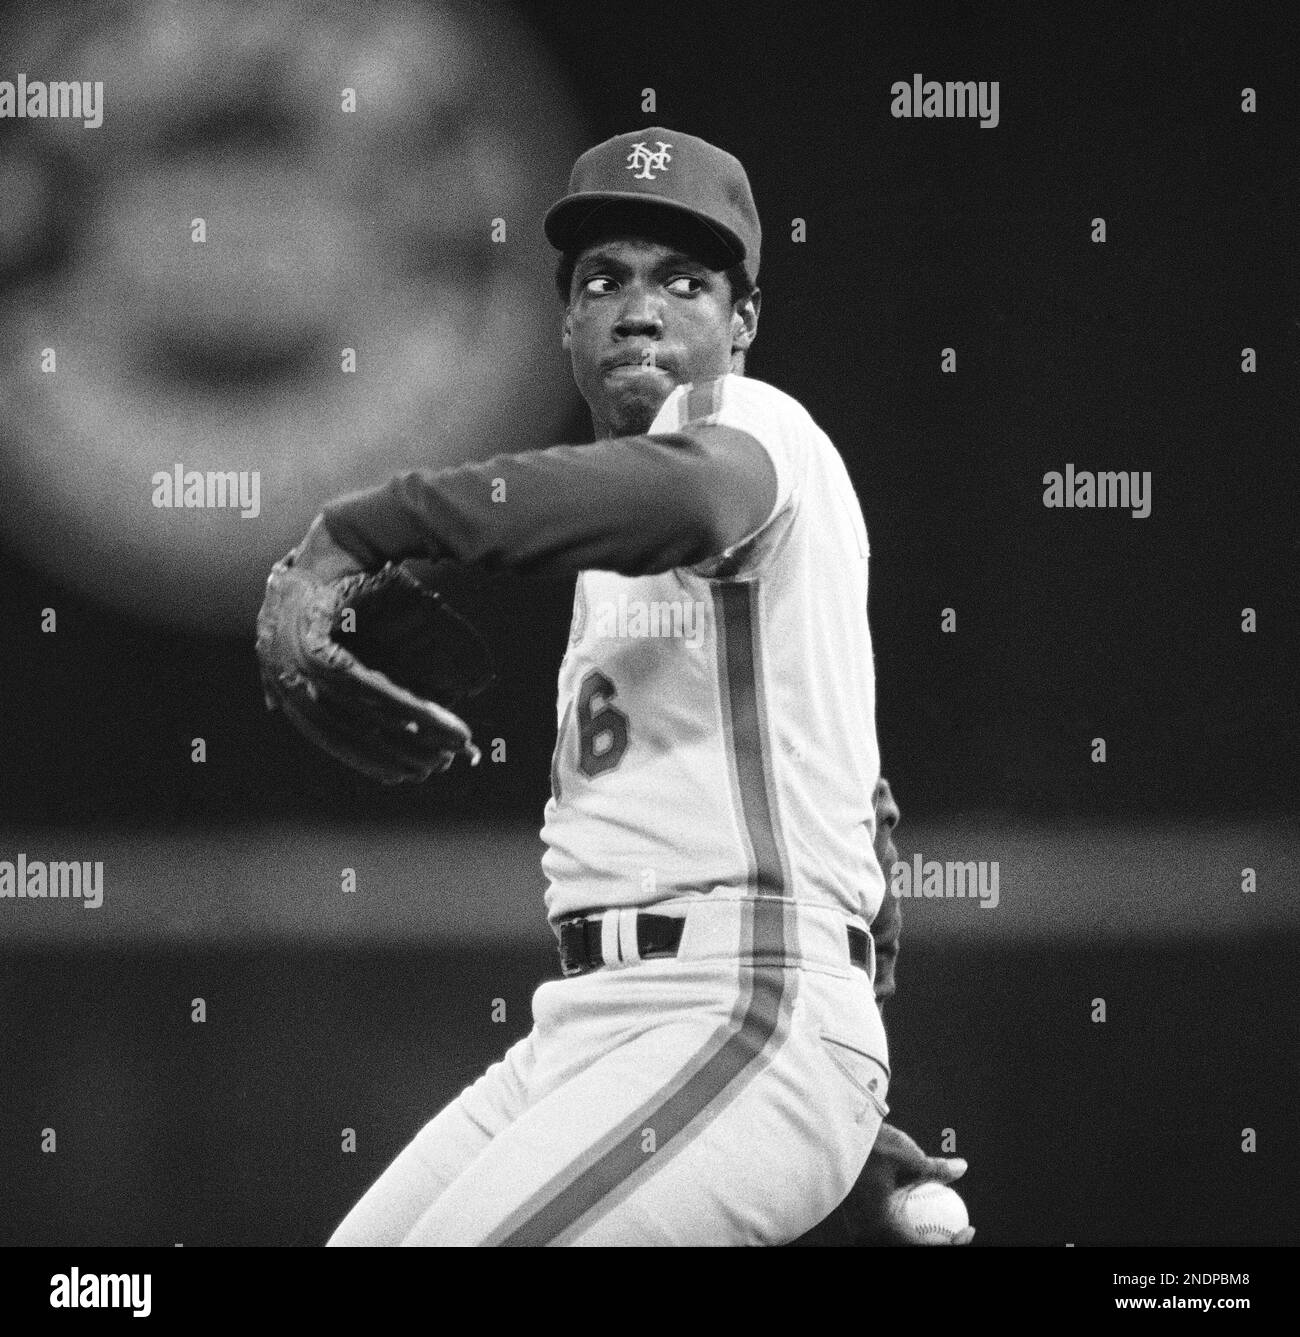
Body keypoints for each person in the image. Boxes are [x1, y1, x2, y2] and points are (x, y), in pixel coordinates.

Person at [284, 127, 969, 1245]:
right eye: (603, 280)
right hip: (596, 1027)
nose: (638, 308)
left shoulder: (749, 430)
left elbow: (693, 502)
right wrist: (845, 1088)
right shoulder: (614, 554)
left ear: (742, 325)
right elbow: (862, 820)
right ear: (565, 325)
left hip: (735, 1008)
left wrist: (368, 527)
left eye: (683, 282)